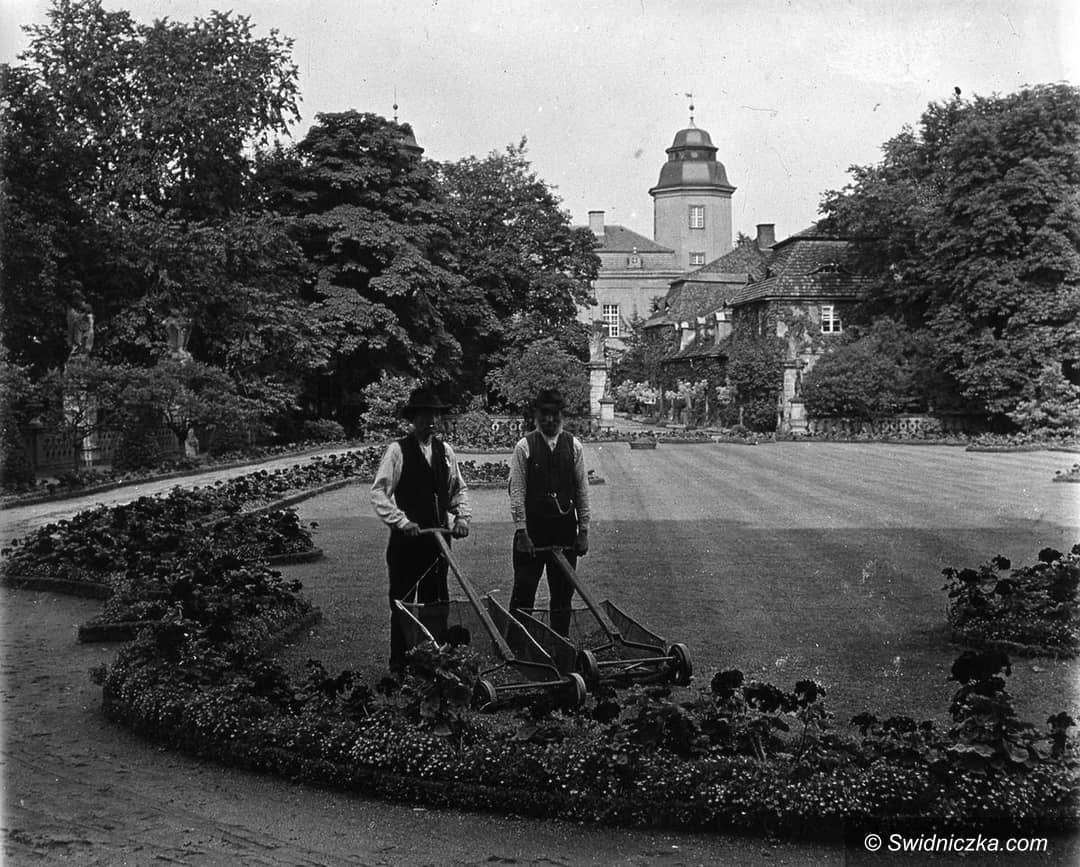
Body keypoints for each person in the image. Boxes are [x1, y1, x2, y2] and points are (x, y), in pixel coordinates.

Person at [371, 386, 471, 675]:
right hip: (407, 544)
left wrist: (461, 518)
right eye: (425, 415)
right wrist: (402, 522)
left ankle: (434, 663)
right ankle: (399, 664)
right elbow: (379, 493)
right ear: (413, 418)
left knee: (436, 602)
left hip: (438, 542)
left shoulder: (444, 451)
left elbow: (457, 489)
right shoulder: (397, 451)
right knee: (403, 603)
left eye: (435, 415)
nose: (431, 421)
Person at [508, 388, 590, 637]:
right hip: (532, 532)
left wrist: (583, 531)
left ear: (561, 415)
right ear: (536, 416)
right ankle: (516, 647)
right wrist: (521, 532)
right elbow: (517, 491)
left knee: (563, 595)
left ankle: (560, 645)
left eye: (554, 414)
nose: (550, 420)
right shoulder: (525, 446)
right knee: (523, 594)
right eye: (544, 414)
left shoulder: (573, 446)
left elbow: (582, 490)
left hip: (565, 532)